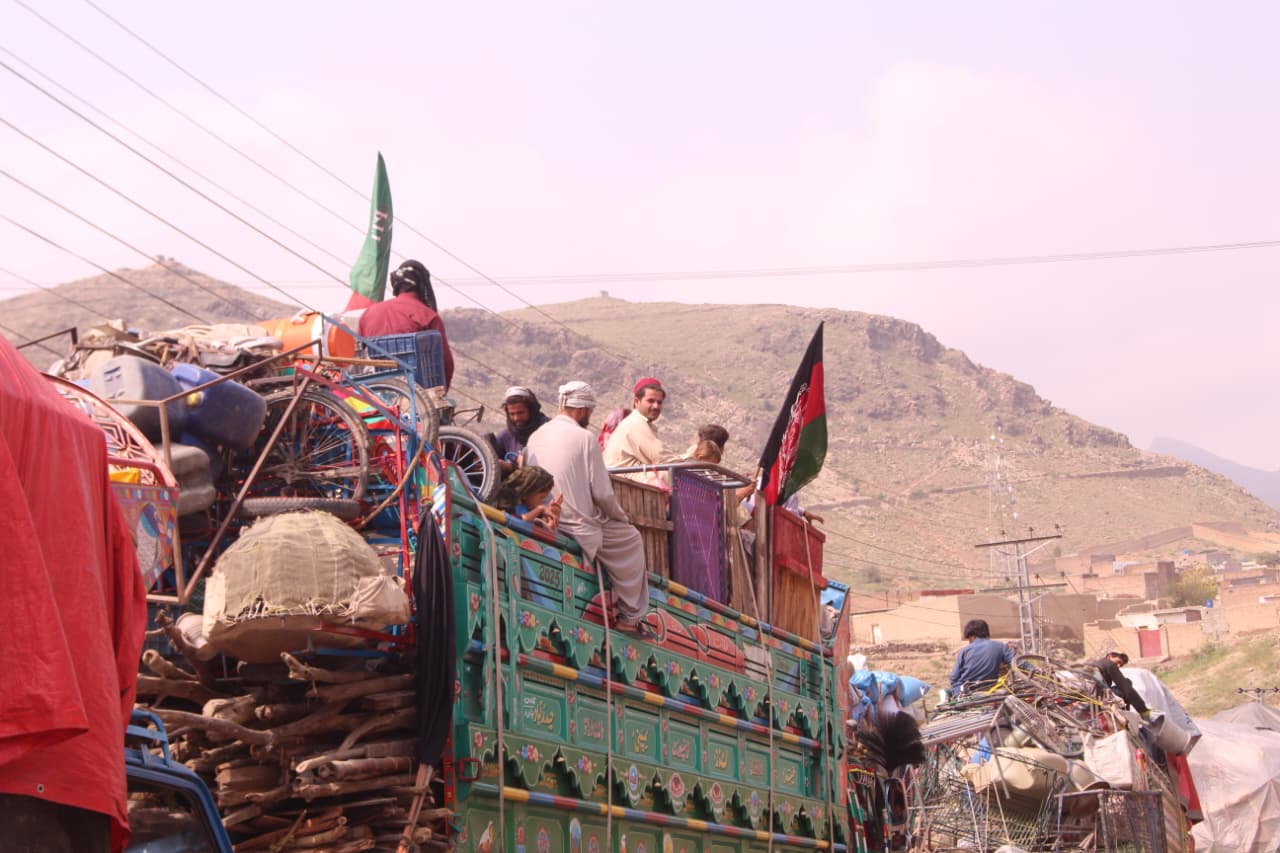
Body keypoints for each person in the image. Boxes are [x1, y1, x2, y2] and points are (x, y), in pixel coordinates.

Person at [525, 381, 651, 634]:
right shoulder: (584, 437)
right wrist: (621, 517)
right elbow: (602, 493)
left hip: (541, 514)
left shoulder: (536, 435)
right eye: (590, 412)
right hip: (576, 526)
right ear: (582, 410)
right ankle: (629, 616)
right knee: (631, 539)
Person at [357, 259, 455, 390]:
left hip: (374, 391)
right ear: (422, 285)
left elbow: (357, 355)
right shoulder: (428, 316)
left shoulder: (368, 314)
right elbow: (446, 363)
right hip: (416, 393)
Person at [604, 377, 681, 482]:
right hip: (624, 483)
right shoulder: (635, 423)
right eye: (651, 401)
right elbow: (661, 457)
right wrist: (690, 465)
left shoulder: (642, 423)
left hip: (626, 482)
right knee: (669, 474)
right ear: (636, 402)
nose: (656, 406)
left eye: (659, 402)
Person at [487, 386, 550, 476]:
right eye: (512, 414)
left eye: (520, 413)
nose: (516, 418)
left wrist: (512, 467)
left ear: (531, 410)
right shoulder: (505, 436)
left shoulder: (548, 429)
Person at [949, 619, 1015, 694]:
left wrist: (956, 689)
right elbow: (1018, 662)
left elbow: (954, 677)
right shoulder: (1001, 646)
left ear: (971, 636)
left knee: (946, 692)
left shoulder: (964, 651)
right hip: (990, 688)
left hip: (966, 691)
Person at [490, 465, 562, 530]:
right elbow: (518, 521)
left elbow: (536, 527)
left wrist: (552, 518)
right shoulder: (506, 503)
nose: (541, 503)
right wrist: (540, 509)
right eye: (541, 498)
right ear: (528, 492)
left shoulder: (527, 508)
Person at [1093, 651, 1150, 715]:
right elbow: (1126, 688)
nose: (1118, 666)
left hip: (1090, 695)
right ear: (1109, 656)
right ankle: (1133, 715)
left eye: (1121, 665)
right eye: (1118, 662)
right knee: (1127, 683)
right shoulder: (1109, 664)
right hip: (1099, 696)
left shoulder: (1095, 664)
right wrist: (1143, 710)